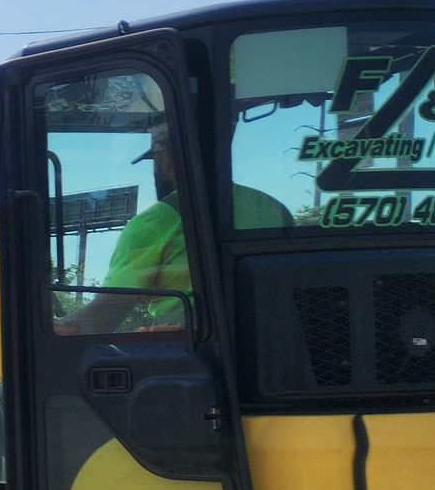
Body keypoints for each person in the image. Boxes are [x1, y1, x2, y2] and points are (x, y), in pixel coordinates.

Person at [59, 124, 292, 334]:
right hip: (275, 346)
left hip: (189, 351)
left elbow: (99, 320)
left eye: (155, 160)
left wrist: (51, 326)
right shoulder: (275, 208)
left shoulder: (156, 222)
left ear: (168, 158)